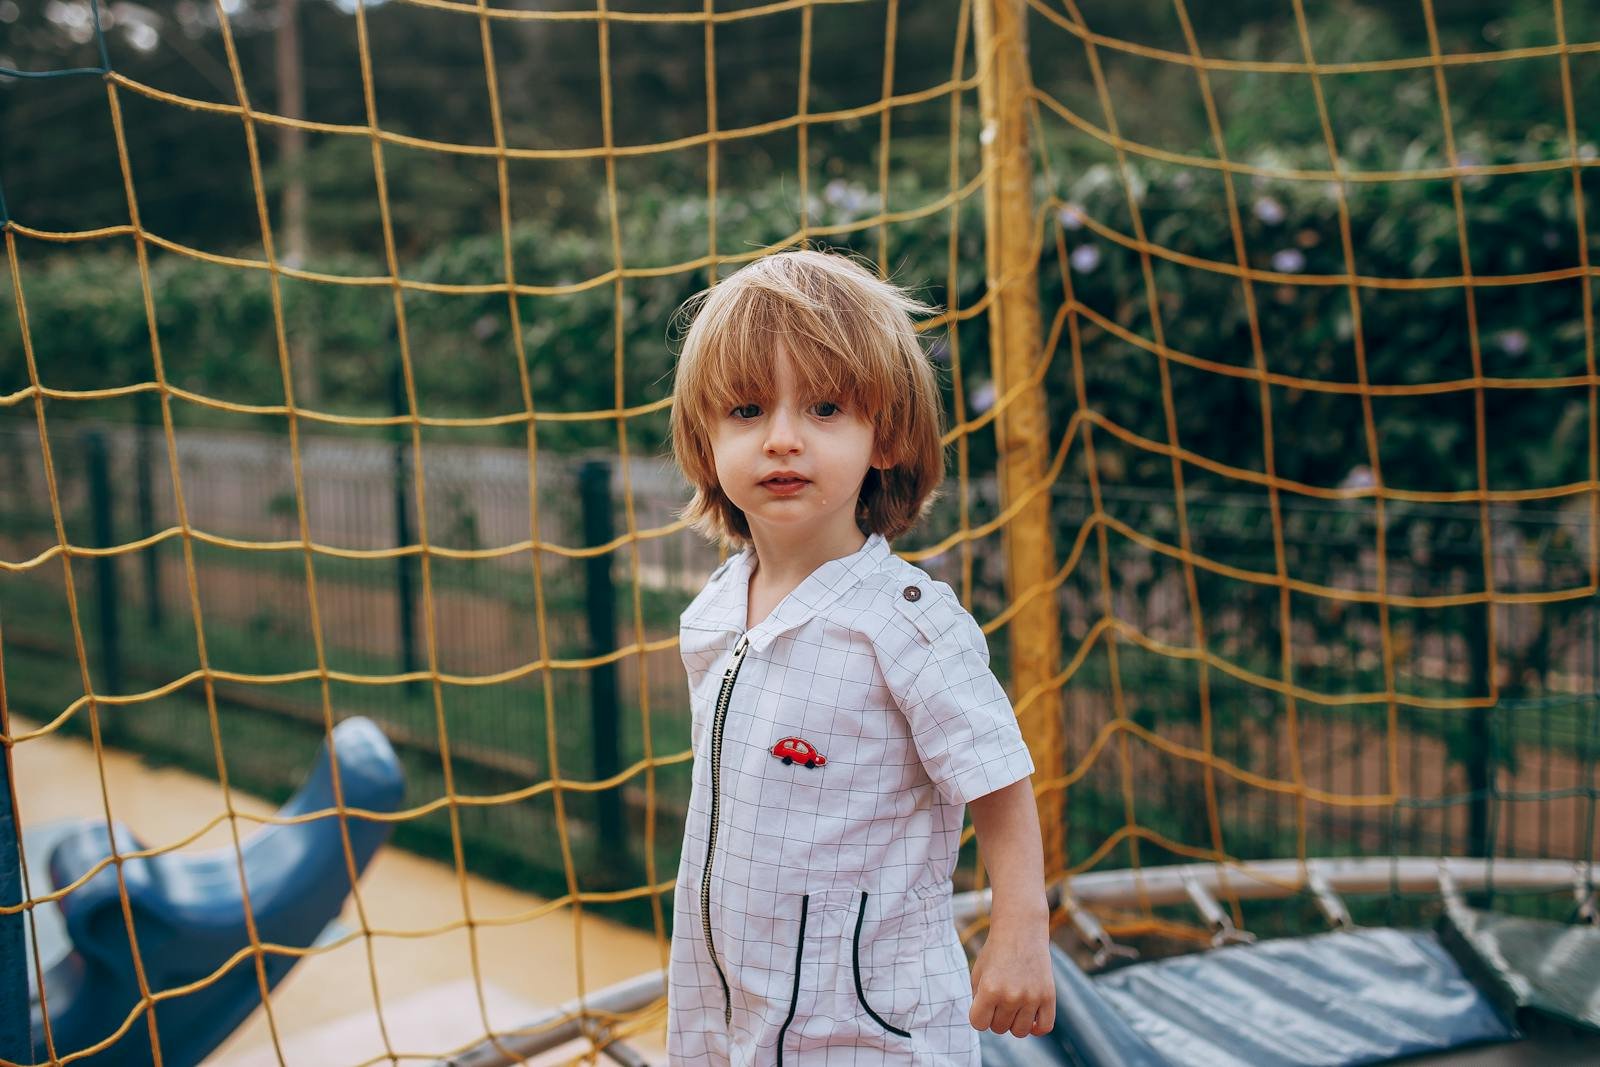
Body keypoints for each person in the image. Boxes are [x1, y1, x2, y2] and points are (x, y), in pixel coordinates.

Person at [665, 248, 1054, 1065]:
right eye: (746, 410)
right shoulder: (714, 613)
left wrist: (1020, 929)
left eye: (825, 408)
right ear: (705, 439)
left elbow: (996, 773)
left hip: (869, 1023)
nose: (782, 439)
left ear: (885, 437)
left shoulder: (905, 622)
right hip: (728, 1004)